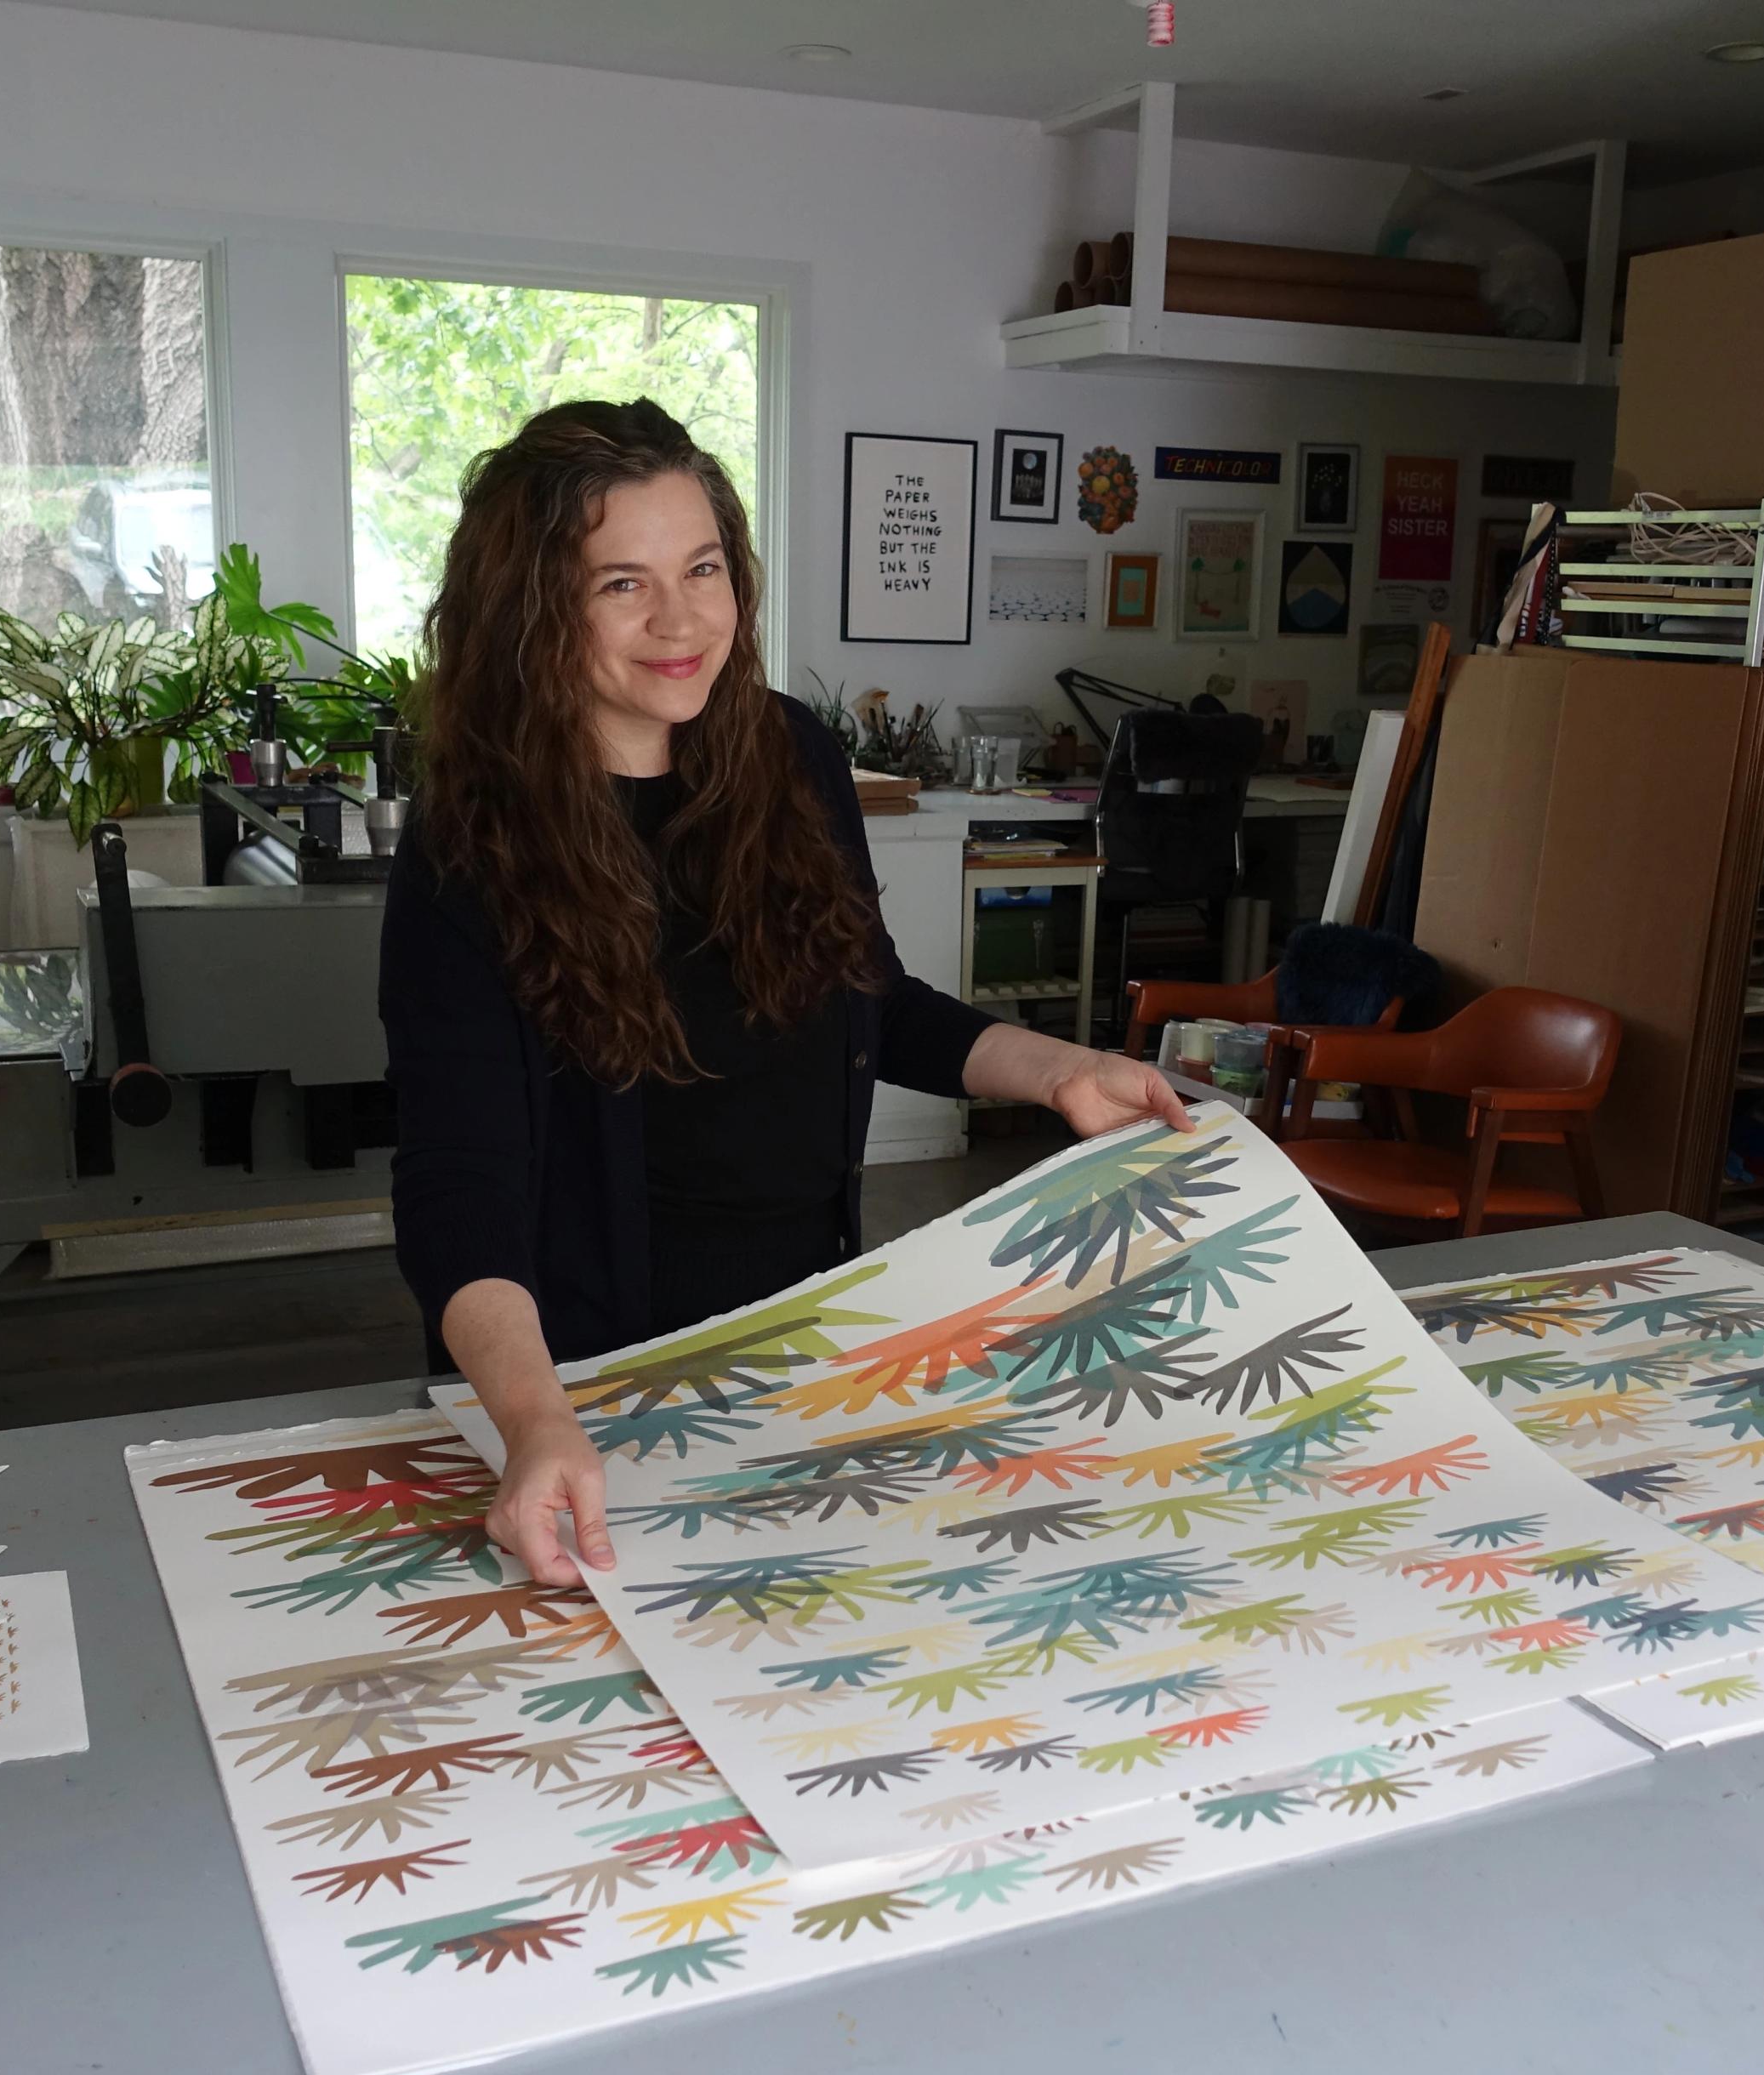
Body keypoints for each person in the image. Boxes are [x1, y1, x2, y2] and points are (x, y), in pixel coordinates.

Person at [381, 398, 1188, 1589]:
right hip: (589, 1382)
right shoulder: (473, 843)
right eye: (621, 583)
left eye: (703, 568)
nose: (682, 619)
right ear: (532, 608)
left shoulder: (792, 756)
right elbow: (461, 1184)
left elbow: (873, 997)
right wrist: (534, 1417)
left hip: (804, 1341)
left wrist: (1056, 1070)